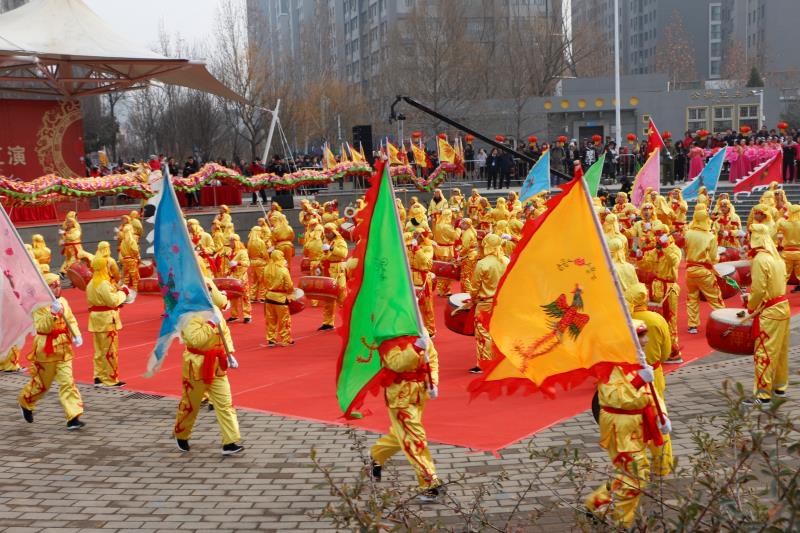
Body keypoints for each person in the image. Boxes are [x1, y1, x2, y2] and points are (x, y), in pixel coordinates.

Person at [585, 321, 671, 528]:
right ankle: (621, 522)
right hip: (619, 426)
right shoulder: (609, 366)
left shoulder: (636, 360)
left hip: (636, 424)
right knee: (636, 475)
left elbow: (651, 393)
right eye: (641, 336)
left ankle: (597, 504)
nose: (646, 340)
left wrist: (662, 415)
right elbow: (614, 397)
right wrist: (639, 380)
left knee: (632, 473)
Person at [173, 277, 244, 455]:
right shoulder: (187, 314)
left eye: (210, 290)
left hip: (217, 364)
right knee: (191, 404)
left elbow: (225, 333)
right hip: (196, 365)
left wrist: (230, 354)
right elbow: (194, 339)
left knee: (225, 403)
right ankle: (182, 434)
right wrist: (211, 323)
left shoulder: (215, 310)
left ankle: (230, 441)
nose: (210, 294)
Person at [369, 335, 442, 502]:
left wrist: (434, 382)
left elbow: (433, 357)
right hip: (400, 397)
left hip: (419, 393)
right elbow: (396, 363)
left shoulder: (418, 328)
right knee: (415, 439)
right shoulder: (387, 335)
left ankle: (375, 455)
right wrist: (415, 349)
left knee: (400, 435)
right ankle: (429, 482)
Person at [18, 271, 86, 430]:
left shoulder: (63, 301)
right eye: (53, 286)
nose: (57, 288)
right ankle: (26, 402)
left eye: (58, 285)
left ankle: (73, 417)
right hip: (45, 350)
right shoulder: (38, 306)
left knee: (68, 382)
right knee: (42, 385)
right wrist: (52, 314)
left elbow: (70, 320)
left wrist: (76, 334)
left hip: (64, 349)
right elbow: (42, 327)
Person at [743, 224, 790, 406]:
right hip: (782, 306)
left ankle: (763, 394)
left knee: (764, 351)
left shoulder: (761, 259)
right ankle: (779, 386)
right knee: (781, 351)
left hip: (769, 312)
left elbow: (758, 289)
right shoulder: (777, 258)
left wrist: (751, 305)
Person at [87, 242, 133, 387]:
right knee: (110, 350)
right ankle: (110, 379)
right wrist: (123, 293)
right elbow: (112, 301)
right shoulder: (104, 284)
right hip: (107, 319)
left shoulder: (91, 283)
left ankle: (98, 376)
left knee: (99, 350)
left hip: (96, 319)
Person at [469, 234, 509, 373]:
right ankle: (500, 360)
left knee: (483, 333)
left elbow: (474, 286)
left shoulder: (483, 263)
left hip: (485, 302)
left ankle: (484, 363)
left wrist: (472, 297)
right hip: (502, 302)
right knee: (500, 331)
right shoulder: (506, 261)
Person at [684, 208, 724, 334]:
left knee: (692, 298)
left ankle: (692, 325)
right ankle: (723, 321)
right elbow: (713, 258)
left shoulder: (688, 233)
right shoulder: (710, 236)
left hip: (690, 270)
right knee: (715, 298)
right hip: (703, 272)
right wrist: (718, 257)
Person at [319, 223, 348, 331]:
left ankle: (348, 320)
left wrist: (332, 248)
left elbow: (344, 254)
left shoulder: (340, 242)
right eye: (326, 232)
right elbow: (324, 255)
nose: (327, 234)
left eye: (328, 232)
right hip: (327, 269)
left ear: (333, 232)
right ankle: (328, 322)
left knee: (342, 296)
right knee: (328, 298)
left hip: (337, 270)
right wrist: (322, 257)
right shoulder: (327, 242)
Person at [263, 249, 294, 347]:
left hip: (269, 297)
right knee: (284, 320)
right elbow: (289, 286)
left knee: (271, 320)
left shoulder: (266, 268)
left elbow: (263, 281)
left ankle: (271, 339)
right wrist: (290, 293)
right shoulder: (283, 270)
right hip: (280, 298)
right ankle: (285, 340)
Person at [410, 227, 436, 337]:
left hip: (423, 277)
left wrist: (417, 249)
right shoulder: (409, 246)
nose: (415, 236)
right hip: (411, 276)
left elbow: (425, 260)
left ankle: (430, 329)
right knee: (412, 303)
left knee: (426, 305)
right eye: (414, 234)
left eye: (417, 235)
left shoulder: (428, 247)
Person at [432, 209, 459, 297]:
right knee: (447, 270)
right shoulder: (447, 227)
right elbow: (456, 236)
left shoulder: (438, 224)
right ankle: (446, 290)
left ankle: (440, 290)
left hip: (439, 248)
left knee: (440, 270)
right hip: (447, 250)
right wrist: (458, 228)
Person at [225, 234, 252, 324]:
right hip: (233, 277)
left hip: (241, 276)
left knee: (245, 296)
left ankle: (247, 315)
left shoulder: (242, 252)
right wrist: (227, 271)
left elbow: (247, 263)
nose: (230, 243)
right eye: (230, 241)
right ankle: (234, 315)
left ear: (236, 242)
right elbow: (227, 265)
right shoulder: (229, 252)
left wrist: (238, 263)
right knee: (233, 297)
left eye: (232, 241)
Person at [778, 204, 800, 291]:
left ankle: (779, 292)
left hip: (787, 253)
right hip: (799, 252)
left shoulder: (784, 223)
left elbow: (777, 234)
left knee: (784, 274)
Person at [58, 211, 83, 277]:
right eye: (67, 222)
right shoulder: (67, 230)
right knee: (72, 260)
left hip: (74, 247)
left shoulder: (75, 230)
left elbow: (73, 237)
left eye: (70, 222)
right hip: (71, 248)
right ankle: (64, 272)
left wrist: (64, 234)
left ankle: (64, 272)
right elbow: (66, 239)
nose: (68, 223)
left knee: (73, 261)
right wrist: (61, 241)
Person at [119, 225, 140, 291]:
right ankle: (135, 289)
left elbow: (121, 252)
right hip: (132, 259)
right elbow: (135, 250)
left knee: (126, 276)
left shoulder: (122, 242)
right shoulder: (132, 241)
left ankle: (126, 289)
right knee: (134, 276)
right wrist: (137, 256)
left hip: (125, 259)